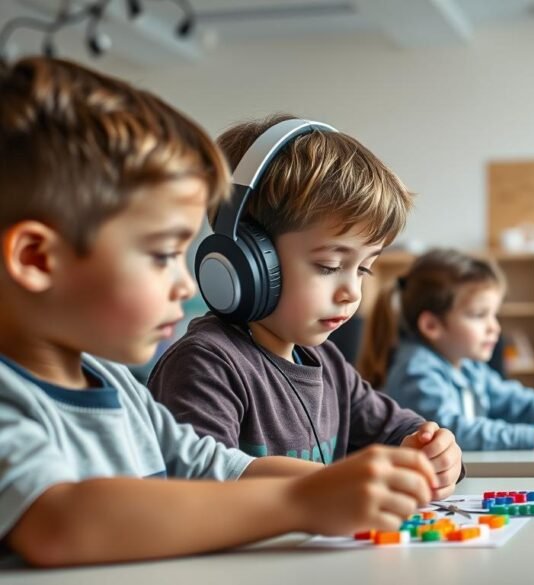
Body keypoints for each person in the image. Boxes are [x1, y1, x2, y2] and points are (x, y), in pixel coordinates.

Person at [0, 58, 436, 566]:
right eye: (163, 255)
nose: (187, 283)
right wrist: (302, 502)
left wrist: (357, 487)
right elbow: (59, 522)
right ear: (37, 259)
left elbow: (221, 468)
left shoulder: (116, 388)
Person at [148, 114, 461, 498]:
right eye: (329, 266)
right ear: (248, 262)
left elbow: (397, 429)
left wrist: (433, 450)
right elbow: (198, 484)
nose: (352, 292)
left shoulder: (326, 363)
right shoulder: (206, 364)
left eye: (364, 269)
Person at [359, 248, 534, 450]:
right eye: (479, 315)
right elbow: (454, 432)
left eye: (494, 315)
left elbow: (515, 400)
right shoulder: (415, 369)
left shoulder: (467, 365)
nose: (494, 328)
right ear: (431, 325)